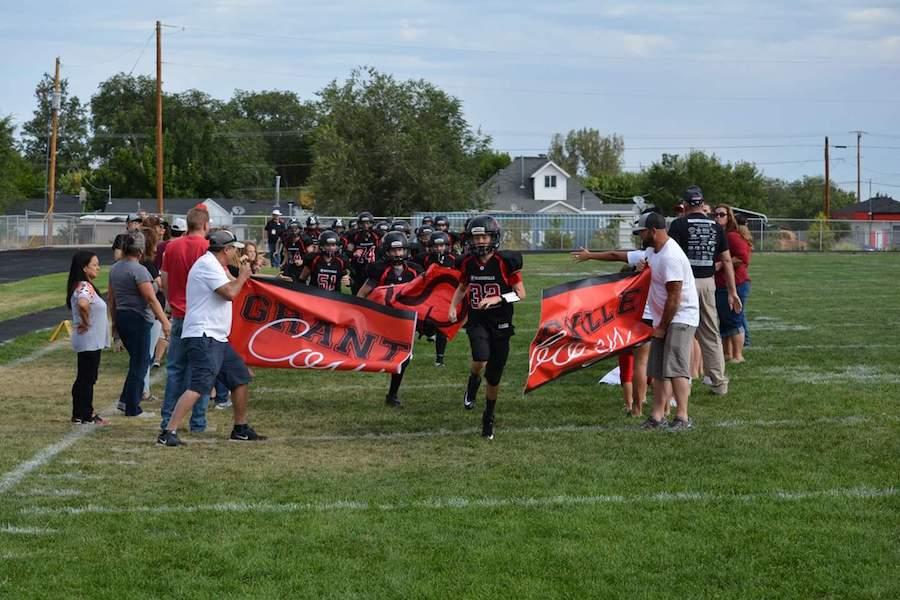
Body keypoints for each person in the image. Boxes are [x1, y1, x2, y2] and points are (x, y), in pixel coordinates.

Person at [157, 230, 265, 446]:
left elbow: (236, 285)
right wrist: (243, 276)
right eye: (234, 249)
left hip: (216, 336)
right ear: (226, 249)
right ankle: (168, 432)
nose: (236, 253)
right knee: (199, 385)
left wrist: (250, 276)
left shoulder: (216, 265)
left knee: (240, 377)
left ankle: (240, 428)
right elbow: (230, 293)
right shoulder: (207, 265)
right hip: (204, 335)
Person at [449, 216, 525, 440]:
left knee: (493, 376)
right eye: (476, 237)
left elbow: (521, 294)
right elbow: (462, 287)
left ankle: (488, 416)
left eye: (484, 236)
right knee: (481, 357)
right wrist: (452, 306)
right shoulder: (468, 262)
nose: (480, 241)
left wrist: (498, 298)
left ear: (493, 238)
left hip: (501, 323)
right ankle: (473, 380)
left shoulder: (505, 262)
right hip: (478, 320)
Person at [668, 185, 742, 396]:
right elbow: (726, 260)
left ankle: (682, 381)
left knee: (681, 332)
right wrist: (732, 291)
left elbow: (671, 257)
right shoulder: (716, 226)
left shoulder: (678, 225)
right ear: (702, 204)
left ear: (685, 204)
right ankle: (719, 382)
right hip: (708, 283)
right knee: (711, 333)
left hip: (684, 283)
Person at [160, 207, 212, 433]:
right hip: (201, 317)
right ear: (205, 225)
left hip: (180, 314)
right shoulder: (207, 247)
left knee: (175, 370)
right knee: (202, 372)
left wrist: (172, 300)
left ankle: (167, 419)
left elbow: (164, 280)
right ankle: (198, 421)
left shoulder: (171, 247)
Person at [357, 231, 424, 407]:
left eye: (400, 250)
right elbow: (363, 293)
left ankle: (392, 394)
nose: (397, 254)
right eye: (394, 250)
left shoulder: (414, 270)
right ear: (386, 251)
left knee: (404, 358)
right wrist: (359, 312)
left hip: (404, 321)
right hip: (382, 319)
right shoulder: (379, 269)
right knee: (373, 353)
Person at [107, 233, 171, 418]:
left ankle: (125, 400)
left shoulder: (115, 268)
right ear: (141, 251)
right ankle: (133, 408)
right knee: (141, 363)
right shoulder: (139, 270)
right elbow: (150, 298)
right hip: (138, 318)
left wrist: (114, 325)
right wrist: (165, 321)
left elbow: (111, 299)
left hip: (122, 316)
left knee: (137, 361)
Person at [67, 251, 110, 425]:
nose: (98, 268)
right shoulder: (85, 286)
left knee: (84, 377)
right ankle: (86, 414)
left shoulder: (82, 285)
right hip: (89, 339)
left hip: (88, 339)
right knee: (88, 378)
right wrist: (86, 321)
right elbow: (83, 303)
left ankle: (79, 413)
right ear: (84, 268)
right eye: (94, 264)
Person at [714, 204, 752, 363]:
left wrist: (721, 264)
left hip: (736, 283)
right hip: (722, 284)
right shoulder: (721, 234)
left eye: (722, 214)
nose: (718, 217)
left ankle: (738, 355)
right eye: (715, 214)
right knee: (725, 320)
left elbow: (743, 257)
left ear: (729, 217)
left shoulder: (732, 236)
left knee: (734, 319)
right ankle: (727, 353)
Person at [418, 231, 459, 366]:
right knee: (426, 322)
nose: (439, 248)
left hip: (446, 296)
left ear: (447, 246)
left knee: (442, 327)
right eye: (436, 246)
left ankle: (439, 359)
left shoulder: (455, 259)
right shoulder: (423, 258)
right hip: (428, 295)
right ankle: (429, 333)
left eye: (441, 246)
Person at [139, 226, 165, 403]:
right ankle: (143, 390)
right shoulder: (148, 265)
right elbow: (160, 285)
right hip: (151, 314)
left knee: (144, 353)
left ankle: (143, 388)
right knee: (146, 354)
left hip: (146, 313)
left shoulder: (141, 264)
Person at [346, 211, 381, 295]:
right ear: (359, 224)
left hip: (373, 267)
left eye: (368, 223)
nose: (365, 226)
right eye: (363, 223)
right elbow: (347, 250)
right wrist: (353, 253)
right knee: (356, 292)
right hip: (358, 267)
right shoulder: (354, 235)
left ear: (372, 223)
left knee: (373, 294)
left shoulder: (377, 235)